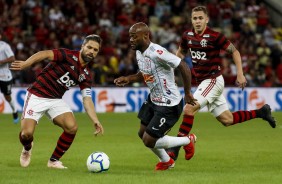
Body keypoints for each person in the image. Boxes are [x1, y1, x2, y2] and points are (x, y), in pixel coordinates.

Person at [166, 6, 276, 161]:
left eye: (200, 18)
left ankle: (176, 147)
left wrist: (240, 74)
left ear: (207, 20)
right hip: (203, 83)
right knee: (227, 120)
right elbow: (181, 53)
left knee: (189, 108)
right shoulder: (187, 36)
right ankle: (261, 112)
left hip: (213, 80)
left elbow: (235, 51)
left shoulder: (215, 36)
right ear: (191, 20)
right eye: (194, 18)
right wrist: (173, 66)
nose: (197, 21)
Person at [10, 34, 104, 169]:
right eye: (89, 47)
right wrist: (26, 63)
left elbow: (87, 99)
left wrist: (95, 120)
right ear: (82, 46)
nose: (91, 51)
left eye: (95, 50)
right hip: (37, 95)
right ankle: (27, 147)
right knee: (26, 134)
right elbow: (45, 54)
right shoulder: (67, 55)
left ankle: (53, 161)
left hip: (55, 100)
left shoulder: (86, 75)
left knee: (72, 128)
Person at [114, 22, 197, 171]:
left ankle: (187, 140)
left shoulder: (157, 52)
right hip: (154, 99)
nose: (131, 40)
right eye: (130, 37)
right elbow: (144, 74)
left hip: (169, 104)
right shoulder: (139, 52)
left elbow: (183, 66)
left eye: (134, 37)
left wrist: (187, 92)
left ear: (145, 35)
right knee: (142, 133)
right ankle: (167, 161)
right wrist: (128, 79)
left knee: (149, 140)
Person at [0, 31, 19, 123]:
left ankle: (14, 111)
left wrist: (1, 62)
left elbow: (12, 58)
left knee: (7, 97)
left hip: (5, 76)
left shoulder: (4, 46)